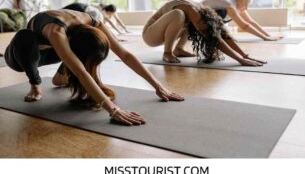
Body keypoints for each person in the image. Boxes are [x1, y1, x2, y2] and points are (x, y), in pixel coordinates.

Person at [4, 9, 183, 126]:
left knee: (59, 82)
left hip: (55, 50)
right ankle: (35, 84)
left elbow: (125, 54)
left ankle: (63, 71)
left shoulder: (93, 23)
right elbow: (81, 72)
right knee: (24, 37)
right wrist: (113, 109)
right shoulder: (56, 32)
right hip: (20, 57)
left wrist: (158, 86)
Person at [143, 0, 266, 66]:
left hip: (165, 31)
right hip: (151, 35)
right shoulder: (192, 10)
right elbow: (212, 36)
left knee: (187, 23)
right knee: (178, 14)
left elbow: (222, 35)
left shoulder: (203, 12)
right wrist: (239, 60)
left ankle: (178, 49)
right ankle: (167, 52)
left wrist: (244, 55)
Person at [201, 0, 282, 41]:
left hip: (204, 15)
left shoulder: (234, 2)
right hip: (198, 17)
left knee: (223, 13)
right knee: (223, 12)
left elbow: (251, 21)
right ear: (242, 1)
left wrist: (268, 35)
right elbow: (244, 26)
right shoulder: (230, 4)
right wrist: (264, 38)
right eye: (246, 5)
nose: (246, 8)